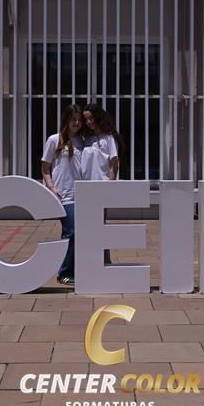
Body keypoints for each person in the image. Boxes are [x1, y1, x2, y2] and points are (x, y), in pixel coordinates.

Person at [41, 104, 84, 286]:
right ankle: (64, 272)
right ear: (66, 120)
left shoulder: (82, 141)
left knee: (81, 233)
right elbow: (45, 167)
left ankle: (76, 269)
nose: (76, 123)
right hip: (64, 195)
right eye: (73, 119)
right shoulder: (54, 140)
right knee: (71, 231)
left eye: (79, 120)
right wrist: (51, 187)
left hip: (82, 195)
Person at [81, 103, 126, 265]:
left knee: (100, 226)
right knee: (88, 227)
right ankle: (92, 261)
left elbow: (114, 163)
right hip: (85, 189)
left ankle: (105, 262)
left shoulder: (108, 138)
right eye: (86, 119)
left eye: (91, 118)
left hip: (101, 188)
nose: (89, 122)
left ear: (98, 117)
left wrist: (110, 185)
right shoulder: (86, 139)